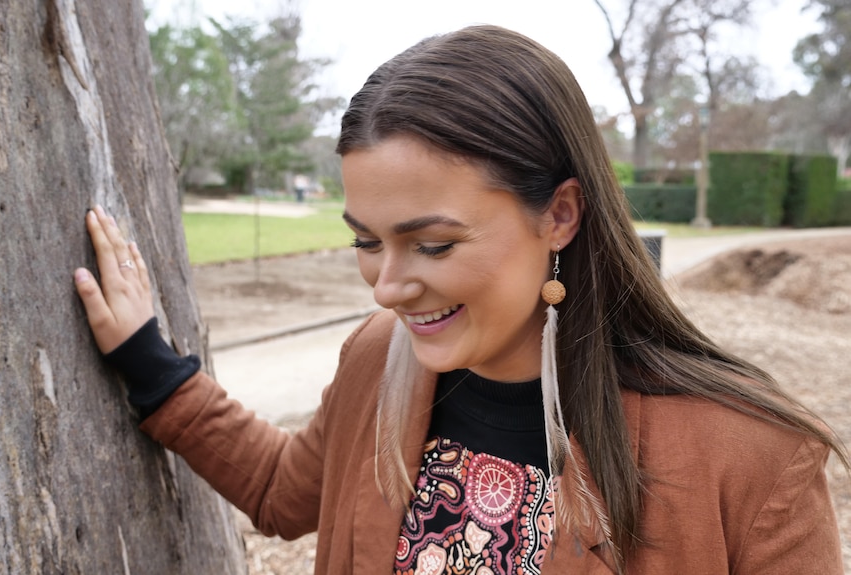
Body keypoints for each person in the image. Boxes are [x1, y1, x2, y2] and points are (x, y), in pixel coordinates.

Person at [73, 25, 847, 575]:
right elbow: (284, 491)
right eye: (367, 241)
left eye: (433, 244)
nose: (387, 285)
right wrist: (147, 358)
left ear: (560, 214)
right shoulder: (378, 360)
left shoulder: (751, 457)